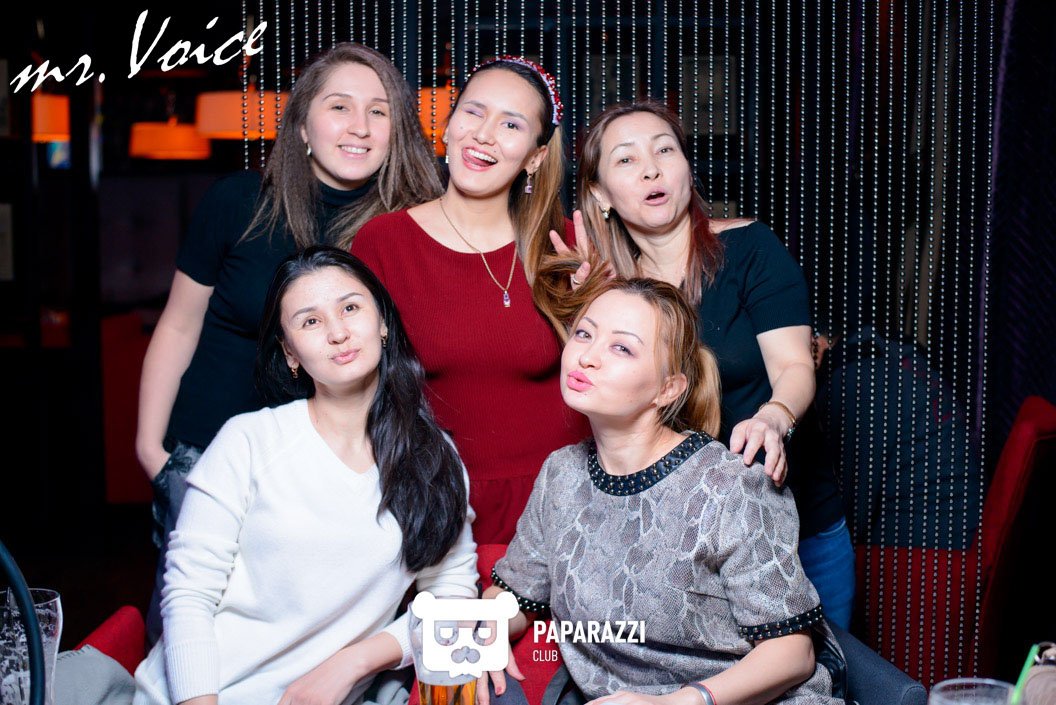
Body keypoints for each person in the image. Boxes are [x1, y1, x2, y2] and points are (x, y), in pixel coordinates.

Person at [135, 42, 444, 641]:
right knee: (189, 640)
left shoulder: (407, 229)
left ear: (398, 132)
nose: (359, 126)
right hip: (206, 463)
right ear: (302, 126)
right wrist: (153, 451)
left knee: (310, 647)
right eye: (339, 107)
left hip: (339, 477)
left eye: (379, 111)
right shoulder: (238, 202)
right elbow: (178, 325)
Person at [535, 100, 855, 629]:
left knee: (815, 669)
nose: (651, 169)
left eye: (665, 150)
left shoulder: (750, 249)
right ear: (600, 194)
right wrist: (583, 309)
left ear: (686, 167)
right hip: (675, 545)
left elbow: (795, 366)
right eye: (626, 159)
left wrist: (774, 417)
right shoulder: (614, 292)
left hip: (796, 530)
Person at [132, 247, 478, 705]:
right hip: (202, 695)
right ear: (290, 352)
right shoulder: (248, 442)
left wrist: (357, 661)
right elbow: (188, 596)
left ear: (382, 322)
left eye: (350, 308)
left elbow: (453, 596)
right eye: (311, 321)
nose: (337, 333)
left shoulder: (433, 458)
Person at [482, 277, 845, 705]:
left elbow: (793, 654)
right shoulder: (561, 475)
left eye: (622, 348)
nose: (588, 357)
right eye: (583, 334)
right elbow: (518, 593)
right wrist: (486, 626)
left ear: (668, 388)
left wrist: (675, 703)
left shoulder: (729, 486)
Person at [351, 56, 590, 544]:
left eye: (511, 124)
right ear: (447, 125)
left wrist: (597, 306)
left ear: (536, 157)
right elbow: (357, 389)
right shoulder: (384, 242)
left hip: (563, 504)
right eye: (473, 112)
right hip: (437, 501)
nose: (484, 134)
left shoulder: (567, 246)